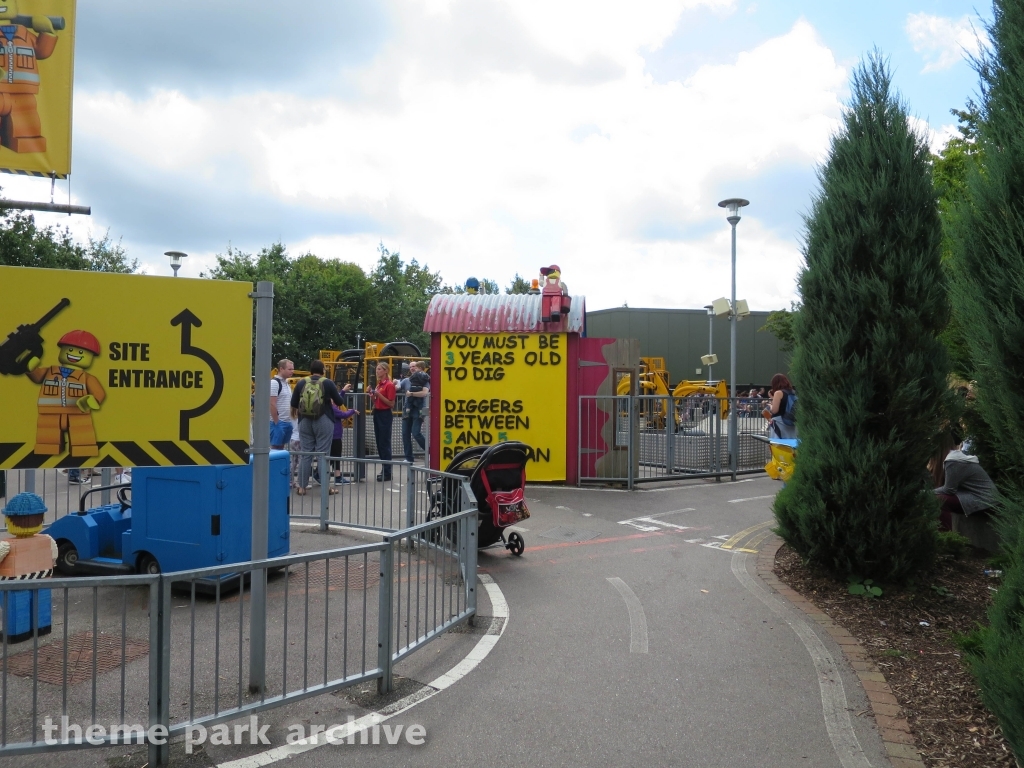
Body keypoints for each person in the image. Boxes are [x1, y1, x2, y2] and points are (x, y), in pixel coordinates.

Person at [290, 360, 348, 496]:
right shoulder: (327, 382)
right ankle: (326, 487)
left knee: (306, 454)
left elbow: (294, 403)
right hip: (324, 419)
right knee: (323, 453)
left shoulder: (301, 382)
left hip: (304, 421)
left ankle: (302, 487)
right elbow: (340, 401)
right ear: (322, 369)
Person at [934, 444, 997, 531]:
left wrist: (926, 492)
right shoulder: (956, 458)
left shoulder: (953, 461)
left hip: (986, 501)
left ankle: (945, 538)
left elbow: (949, 489)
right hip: (983, 498)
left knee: (940, 500)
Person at [399, 360, 430, 464]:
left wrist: (411, 394)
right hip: (407, 409)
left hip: (418, 409)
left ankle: (430, 452)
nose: (412, 368)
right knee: (405, 433)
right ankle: (408, 458)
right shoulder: (406, 380)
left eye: (415, 366)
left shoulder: (424, 379)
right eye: (411, 367)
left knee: (416, 432)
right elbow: (397, 387)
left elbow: (424, 393)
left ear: (420, 368)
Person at [369, 362, 396, 481]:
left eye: (379, 369)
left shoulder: (389, 385)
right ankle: (384, 468)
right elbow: (377, 401)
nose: (377, 371)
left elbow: (391, 403)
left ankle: (387, 471)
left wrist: (378, 395)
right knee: (379, 443)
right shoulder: (378, 385)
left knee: (384, 442)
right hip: (378, 413)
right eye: (377, 369)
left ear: (385, 371)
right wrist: (372, 396)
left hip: (385, 414)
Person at [330, 395, 358, 485]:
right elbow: (343, 414)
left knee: (332, 456)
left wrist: (343, 391)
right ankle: (337, 477)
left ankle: (319, 473)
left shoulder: (329, 407)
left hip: (333, 436)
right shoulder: (333, 409)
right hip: (335, 436)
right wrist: (352, 411)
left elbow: (338, 398)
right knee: (336, 456)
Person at [270, 359, 295, 450]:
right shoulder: (274, 383)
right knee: (275, 448)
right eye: (289, 369)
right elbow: (272, 404)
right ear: (281, 369)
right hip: (278, 422)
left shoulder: (286, 384)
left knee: (281, 447)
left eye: (292, 369)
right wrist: (277, 422)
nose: (292, 371)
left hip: (287, 421)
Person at [763, 373, 797, 439]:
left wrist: (770, 406)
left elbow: (775, 411)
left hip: (779, 423)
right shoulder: (793, 392)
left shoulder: (778, 393)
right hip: (791, 422)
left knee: (778, 445)